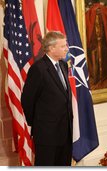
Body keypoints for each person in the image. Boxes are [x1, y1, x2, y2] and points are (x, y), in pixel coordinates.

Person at [21, 31, 73, 166]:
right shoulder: (38, 69)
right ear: (51, 48)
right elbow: (27, 100)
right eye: (63, 46)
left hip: (65, 131)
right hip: (46, 133)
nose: (66, 48)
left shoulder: (62, 65)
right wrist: (39, 124)